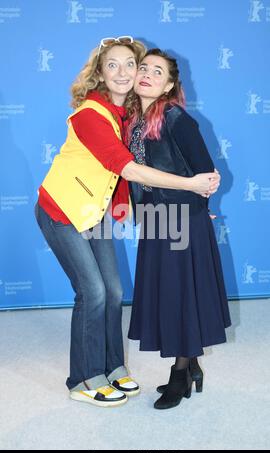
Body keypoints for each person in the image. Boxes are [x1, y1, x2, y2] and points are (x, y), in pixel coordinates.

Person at [35, 37, 221, 408]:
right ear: (100, 74)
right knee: (94, 291)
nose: (125, 72)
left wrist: (197, 205)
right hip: (64, 211)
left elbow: (190, 168)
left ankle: (114, 367)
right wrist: (192, 187)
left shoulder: (136, 117)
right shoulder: (93, 114)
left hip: (113, 213)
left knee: (117, 292)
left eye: (130, 65)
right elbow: (129, 170)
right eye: (112, 65)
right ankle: (85, 378)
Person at [127, 48, 231, 410]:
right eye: (144, 68)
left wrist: (200, 212)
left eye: (158, 72)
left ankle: (180, 375)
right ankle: (194, 366)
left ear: (169, 85)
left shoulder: (175, 118)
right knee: (169, 293)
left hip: (180, 221)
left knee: (179, 295)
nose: (147, 75)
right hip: (157, 218)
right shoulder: (136, 121)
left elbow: (207, 174)